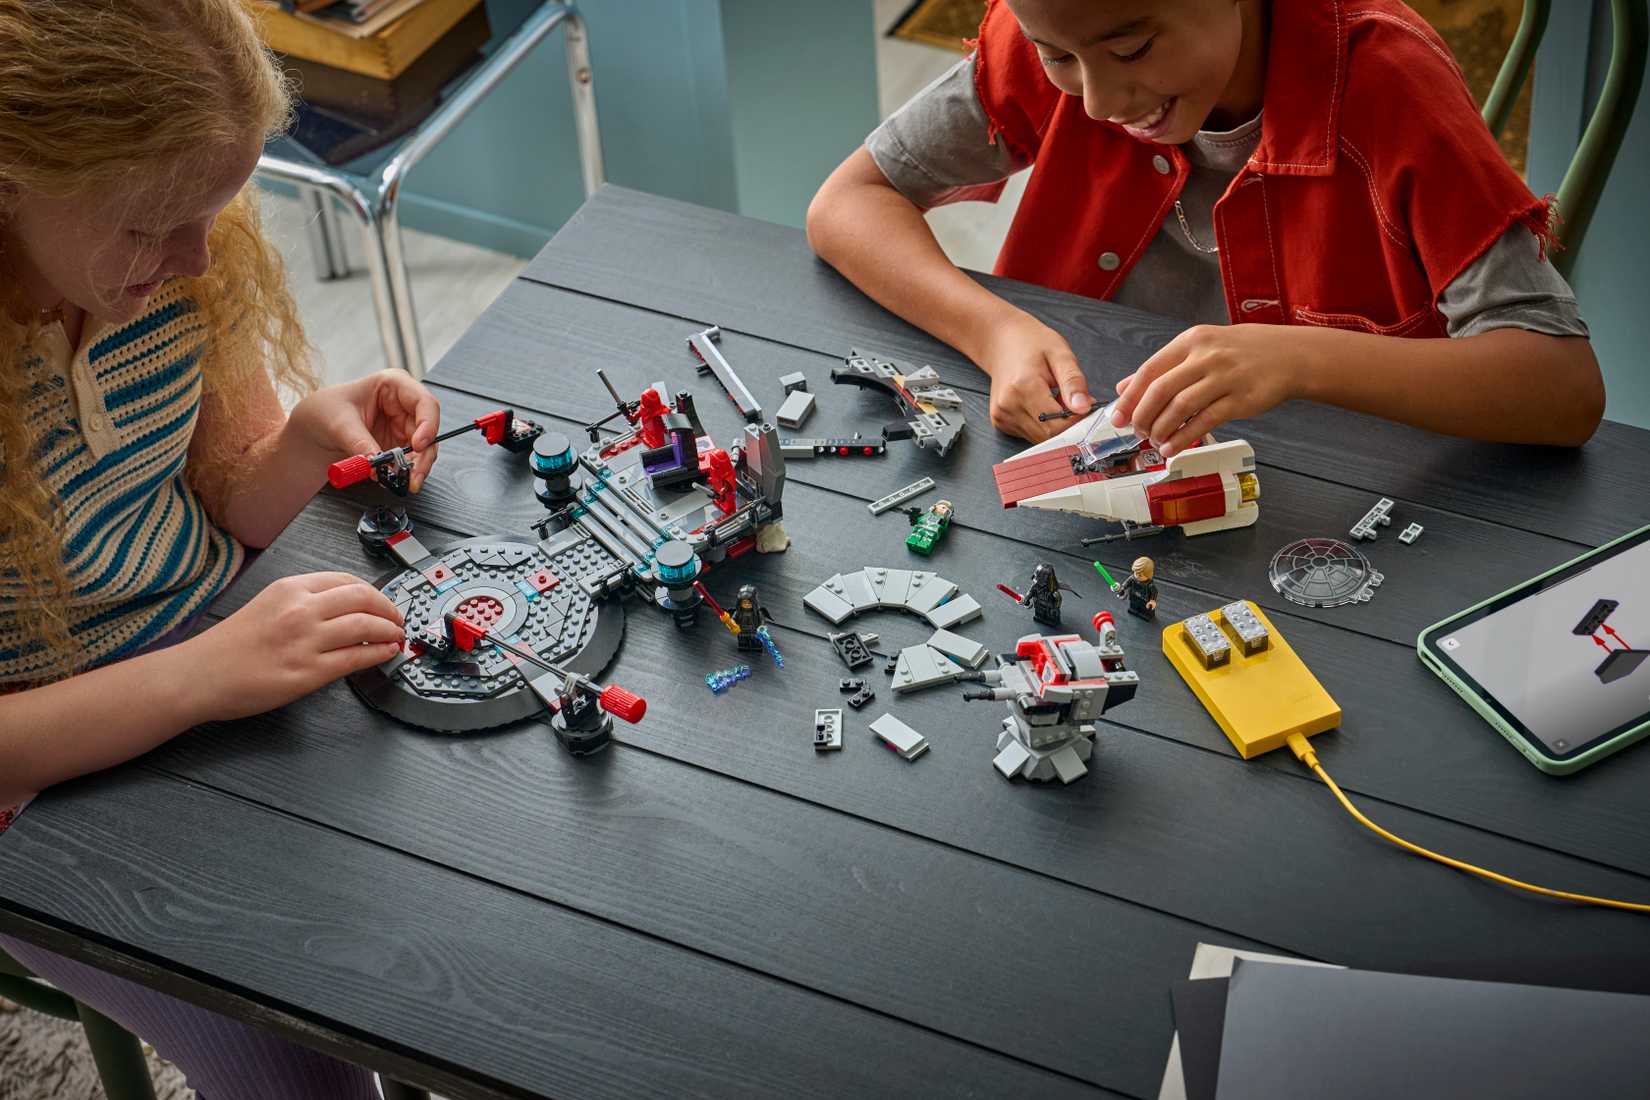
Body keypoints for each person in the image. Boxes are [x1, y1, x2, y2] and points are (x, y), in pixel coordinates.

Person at [0, 2, 440, 1095]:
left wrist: (300, 440)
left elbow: (231, 493)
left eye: (218, 204)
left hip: (222, 640)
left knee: (449, 895)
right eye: (151, 221)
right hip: (38, 789)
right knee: (303, 1058)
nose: (197, 256)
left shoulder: (189, 253)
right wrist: (200, 676)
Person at [808, 0, 1604, 449]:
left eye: (1135, 48)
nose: (1099, 104)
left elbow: (1561, 389)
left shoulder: (1391, 84)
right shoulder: (1065, 23)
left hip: (1349, 490)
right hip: (1112, 458)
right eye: (1058, 60)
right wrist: (997, 335)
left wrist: (1297, 360)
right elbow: (847, 204)